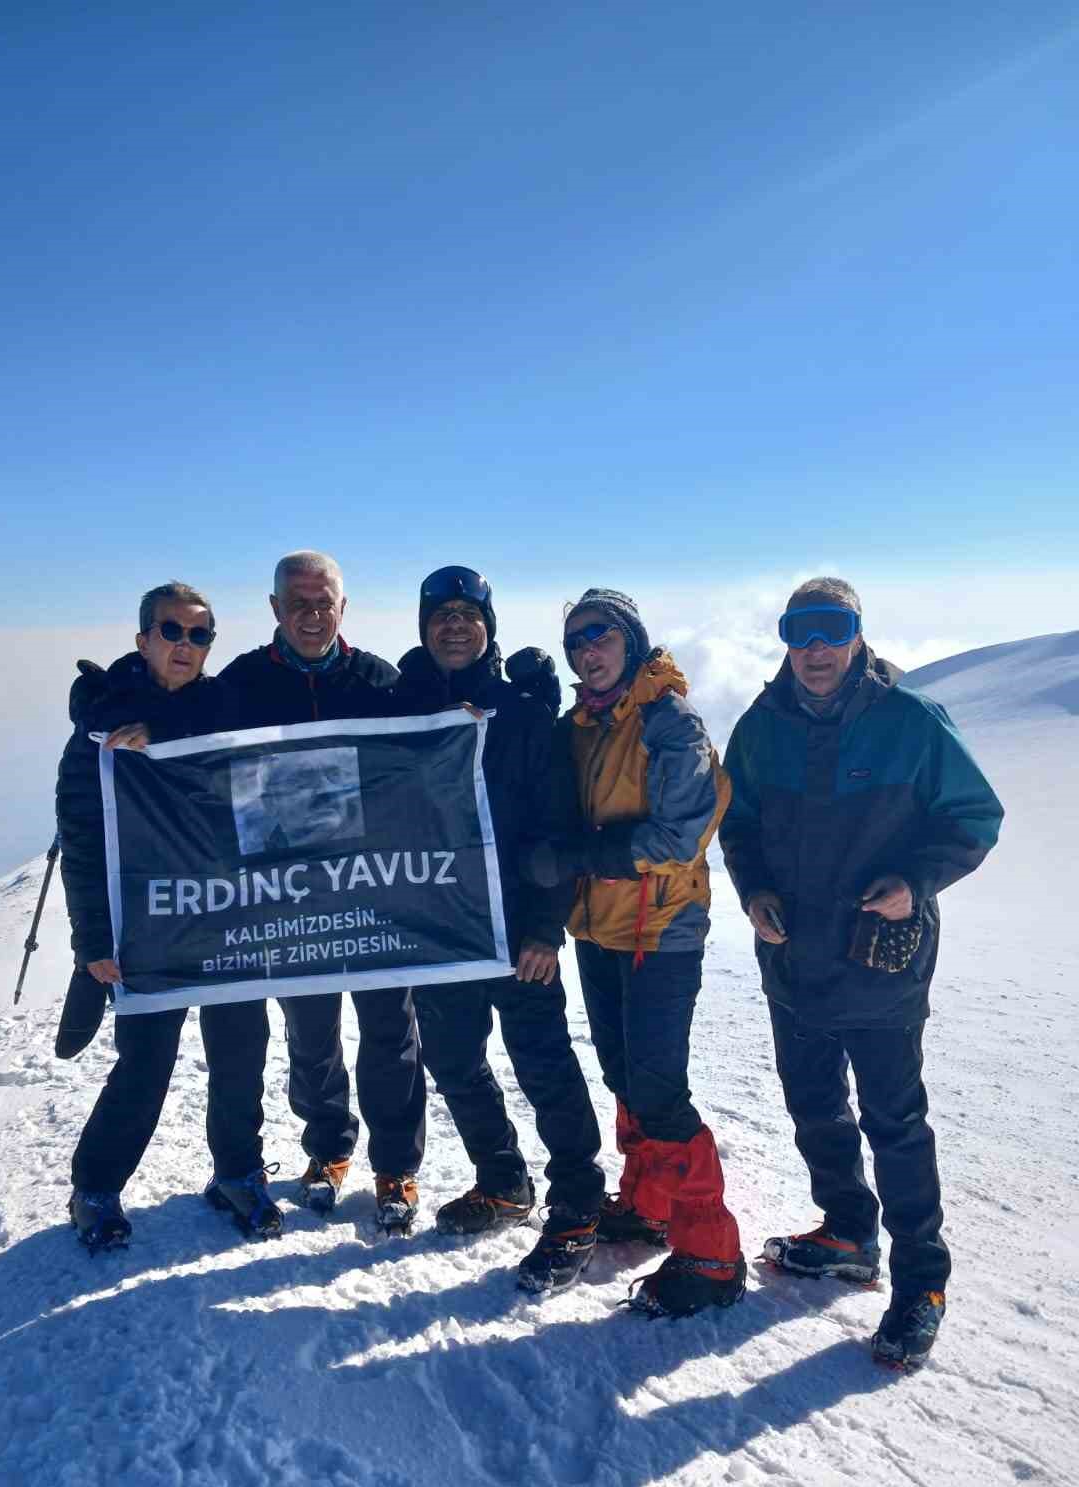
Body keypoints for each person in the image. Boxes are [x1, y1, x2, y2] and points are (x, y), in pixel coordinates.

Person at [720, 577, 1004, 1370]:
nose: (815, 649)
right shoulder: (760, 727)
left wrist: (916, 882)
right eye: (799, 631)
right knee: (813, 1105)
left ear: (857, 634)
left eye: (831, 629)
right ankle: (847, 1231)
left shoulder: (911, 723)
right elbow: (736, 828)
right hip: (791, 958)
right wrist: (755, 892)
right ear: (784, 638)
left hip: (881, 962)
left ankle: (922, 1283)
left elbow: (975, 816)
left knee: (895, 1123)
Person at [529, 587, 745, 1318]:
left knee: (655, 1085)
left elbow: (678, 836)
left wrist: (578, 858)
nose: (589, 651)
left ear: (631, 640)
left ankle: (711, 1251)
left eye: (602, 636)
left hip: (662, 928)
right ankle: (649, 1204)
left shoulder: (667, 721)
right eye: (577, 643)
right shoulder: (584, 725)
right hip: (603, 928)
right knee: (623, 1070)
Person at [392, 567, 604, 1291]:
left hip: (516, 925)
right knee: (450, 1056)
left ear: (488, 625)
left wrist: (547, 928)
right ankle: (503, 1178)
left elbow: (556, 824)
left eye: (468, 614)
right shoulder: (396, 707)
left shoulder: (521, 714)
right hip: (439, 925)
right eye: (441, 614)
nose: (455, 625)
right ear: (423, 625)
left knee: (542, 1061)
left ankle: (578, 1203)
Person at [57, 582, 279, 1250]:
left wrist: (168, 735)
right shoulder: (102, 724)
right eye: (172, 631)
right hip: (148, 924)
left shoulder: (224, 708)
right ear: (143, 639)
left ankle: (237, 1172)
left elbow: (257, 775)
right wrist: (92, 939)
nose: (186, 646)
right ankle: (95, 1185)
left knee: (242, 1052)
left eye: (200, 634)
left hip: (227, 916)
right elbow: (82, 840)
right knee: (146, 1061)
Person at [216, 551, 426, 1232]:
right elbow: (183, 743)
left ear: (344, 606)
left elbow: (433, 754)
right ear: (275, 608)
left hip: (372, 893)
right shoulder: (241, 682)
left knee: (390, 1030)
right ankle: (329, 1149)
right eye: (297, 603)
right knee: (310, 1034)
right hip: (289, 899)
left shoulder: (379, 680)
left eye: (324, 601)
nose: (312, 615)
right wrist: (121, 705)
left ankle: (395, 1165)